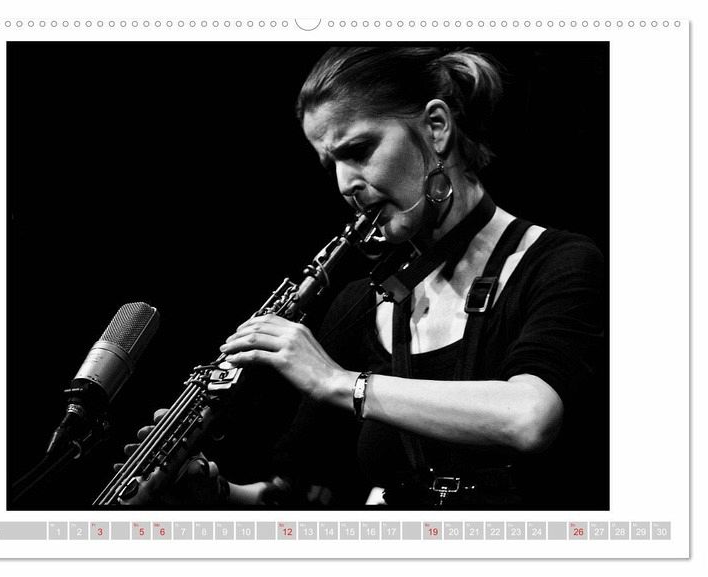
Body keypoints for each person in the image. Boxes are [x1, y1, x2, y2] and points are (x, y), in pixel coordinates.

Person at [122, 46, 607, 509]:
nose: (344, 184)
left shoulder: (559, 262)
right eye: (331, 163)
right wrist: (215, 494)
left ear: (436, 128)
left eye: (358, 149)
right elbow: (302, 495)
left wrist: (339, 382)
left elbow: (529, 417)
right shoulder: (364, 303)